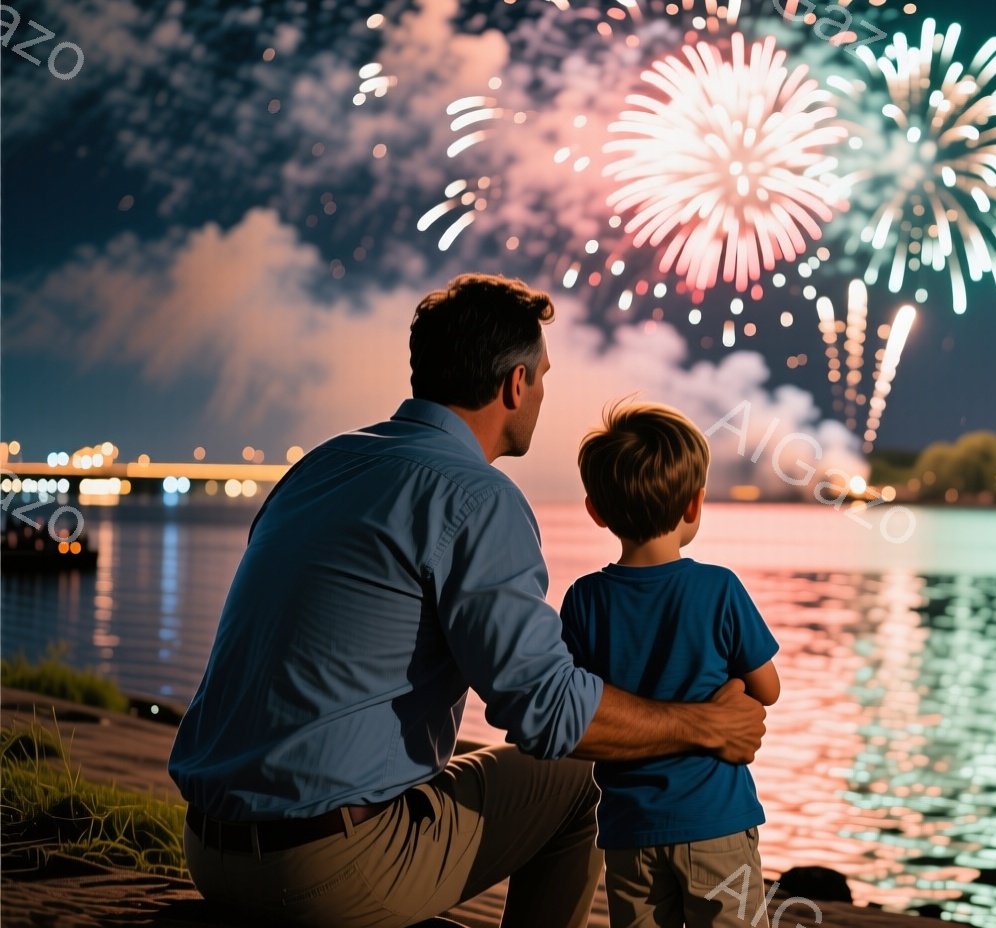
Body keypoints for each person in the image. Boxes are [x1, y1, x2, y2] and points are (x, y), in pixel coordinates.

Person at [167, 274, 767, 928]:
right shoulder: (476, 497)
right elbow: (549, 714)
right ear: (515, 384)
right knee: (572, 780)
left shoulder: (321, 465)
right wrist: (705, 725)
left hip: (209, 848)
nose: (541, 392)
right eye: (541, 376)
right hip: (322, 870)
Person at [559, 402, 782, 928]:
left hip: (629, 830)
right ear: (694, 504)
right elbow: (767, 689)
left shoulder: (584, 599)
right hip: (717, 824)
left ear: (596, 511)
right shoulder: (719, 587)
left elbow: (578, 704)